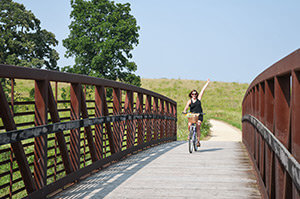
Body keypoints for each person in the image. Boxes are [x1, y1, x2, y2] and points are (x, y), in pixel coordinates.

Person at [183, 79, 210, 147]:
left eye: (195, 94)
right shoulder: (190, 101)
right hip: (192, 115)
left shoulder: (199, 99)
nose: (194, 95)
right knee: (189, 124)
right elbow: (186, 107)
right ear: (191, 95)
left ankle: (198, 141)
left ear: (196, 94)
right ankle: (190, 134)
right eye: (193, 94)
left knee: (198, 126)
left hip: (199, 115)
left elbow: (202, 91)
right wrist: (184, 111)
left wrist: (207, 83)